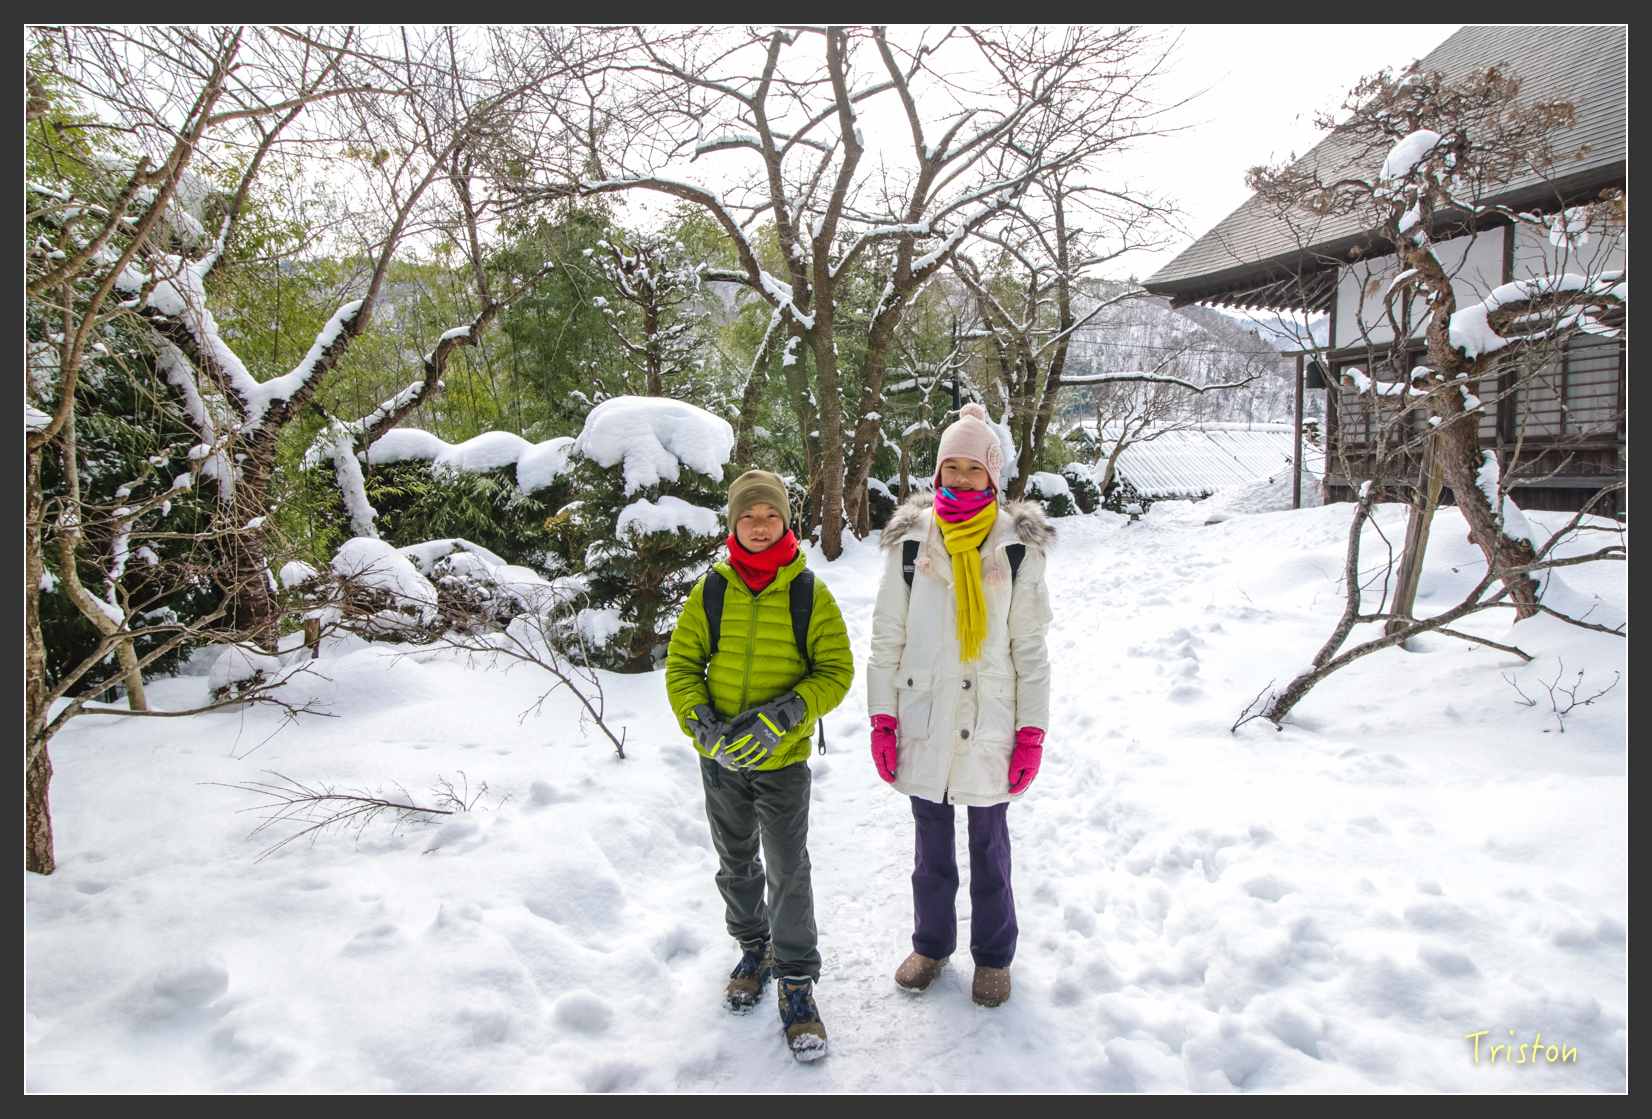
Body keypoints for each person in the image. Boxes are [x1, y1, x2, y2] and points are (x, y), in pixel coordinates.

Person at [866, 403, 1055, 1007]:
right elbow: (886, 636)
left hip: (990, 719)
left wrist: (1032, 732)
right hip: (925, 714)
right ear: (938, 471)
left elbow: (1030, 648)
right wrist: (882, 717)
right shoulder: (911, 545)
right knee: (930, 847)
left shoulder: (1016, 548)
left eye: (975, 468)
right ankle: (932, 946)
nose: (962, 478)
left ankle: (994, 957)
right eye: (952, 466)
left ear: (994, 476)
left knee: (989, 846)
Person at [664, 469, 854, 1061]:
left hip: (782, 762)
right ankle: (755, 949)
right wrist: (701, 724)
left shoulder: (807, 592)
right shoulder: (711, 591)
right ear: (733, 524)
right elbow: (681, 667)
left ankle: (796, 983)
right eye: (748, 517)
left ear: (785, 521)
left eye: (769, 515)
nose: (759, 525)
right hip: (721, 760)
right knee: (736, 861)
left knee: (787, 868)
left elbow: (836, 670)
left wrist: (788, 713)